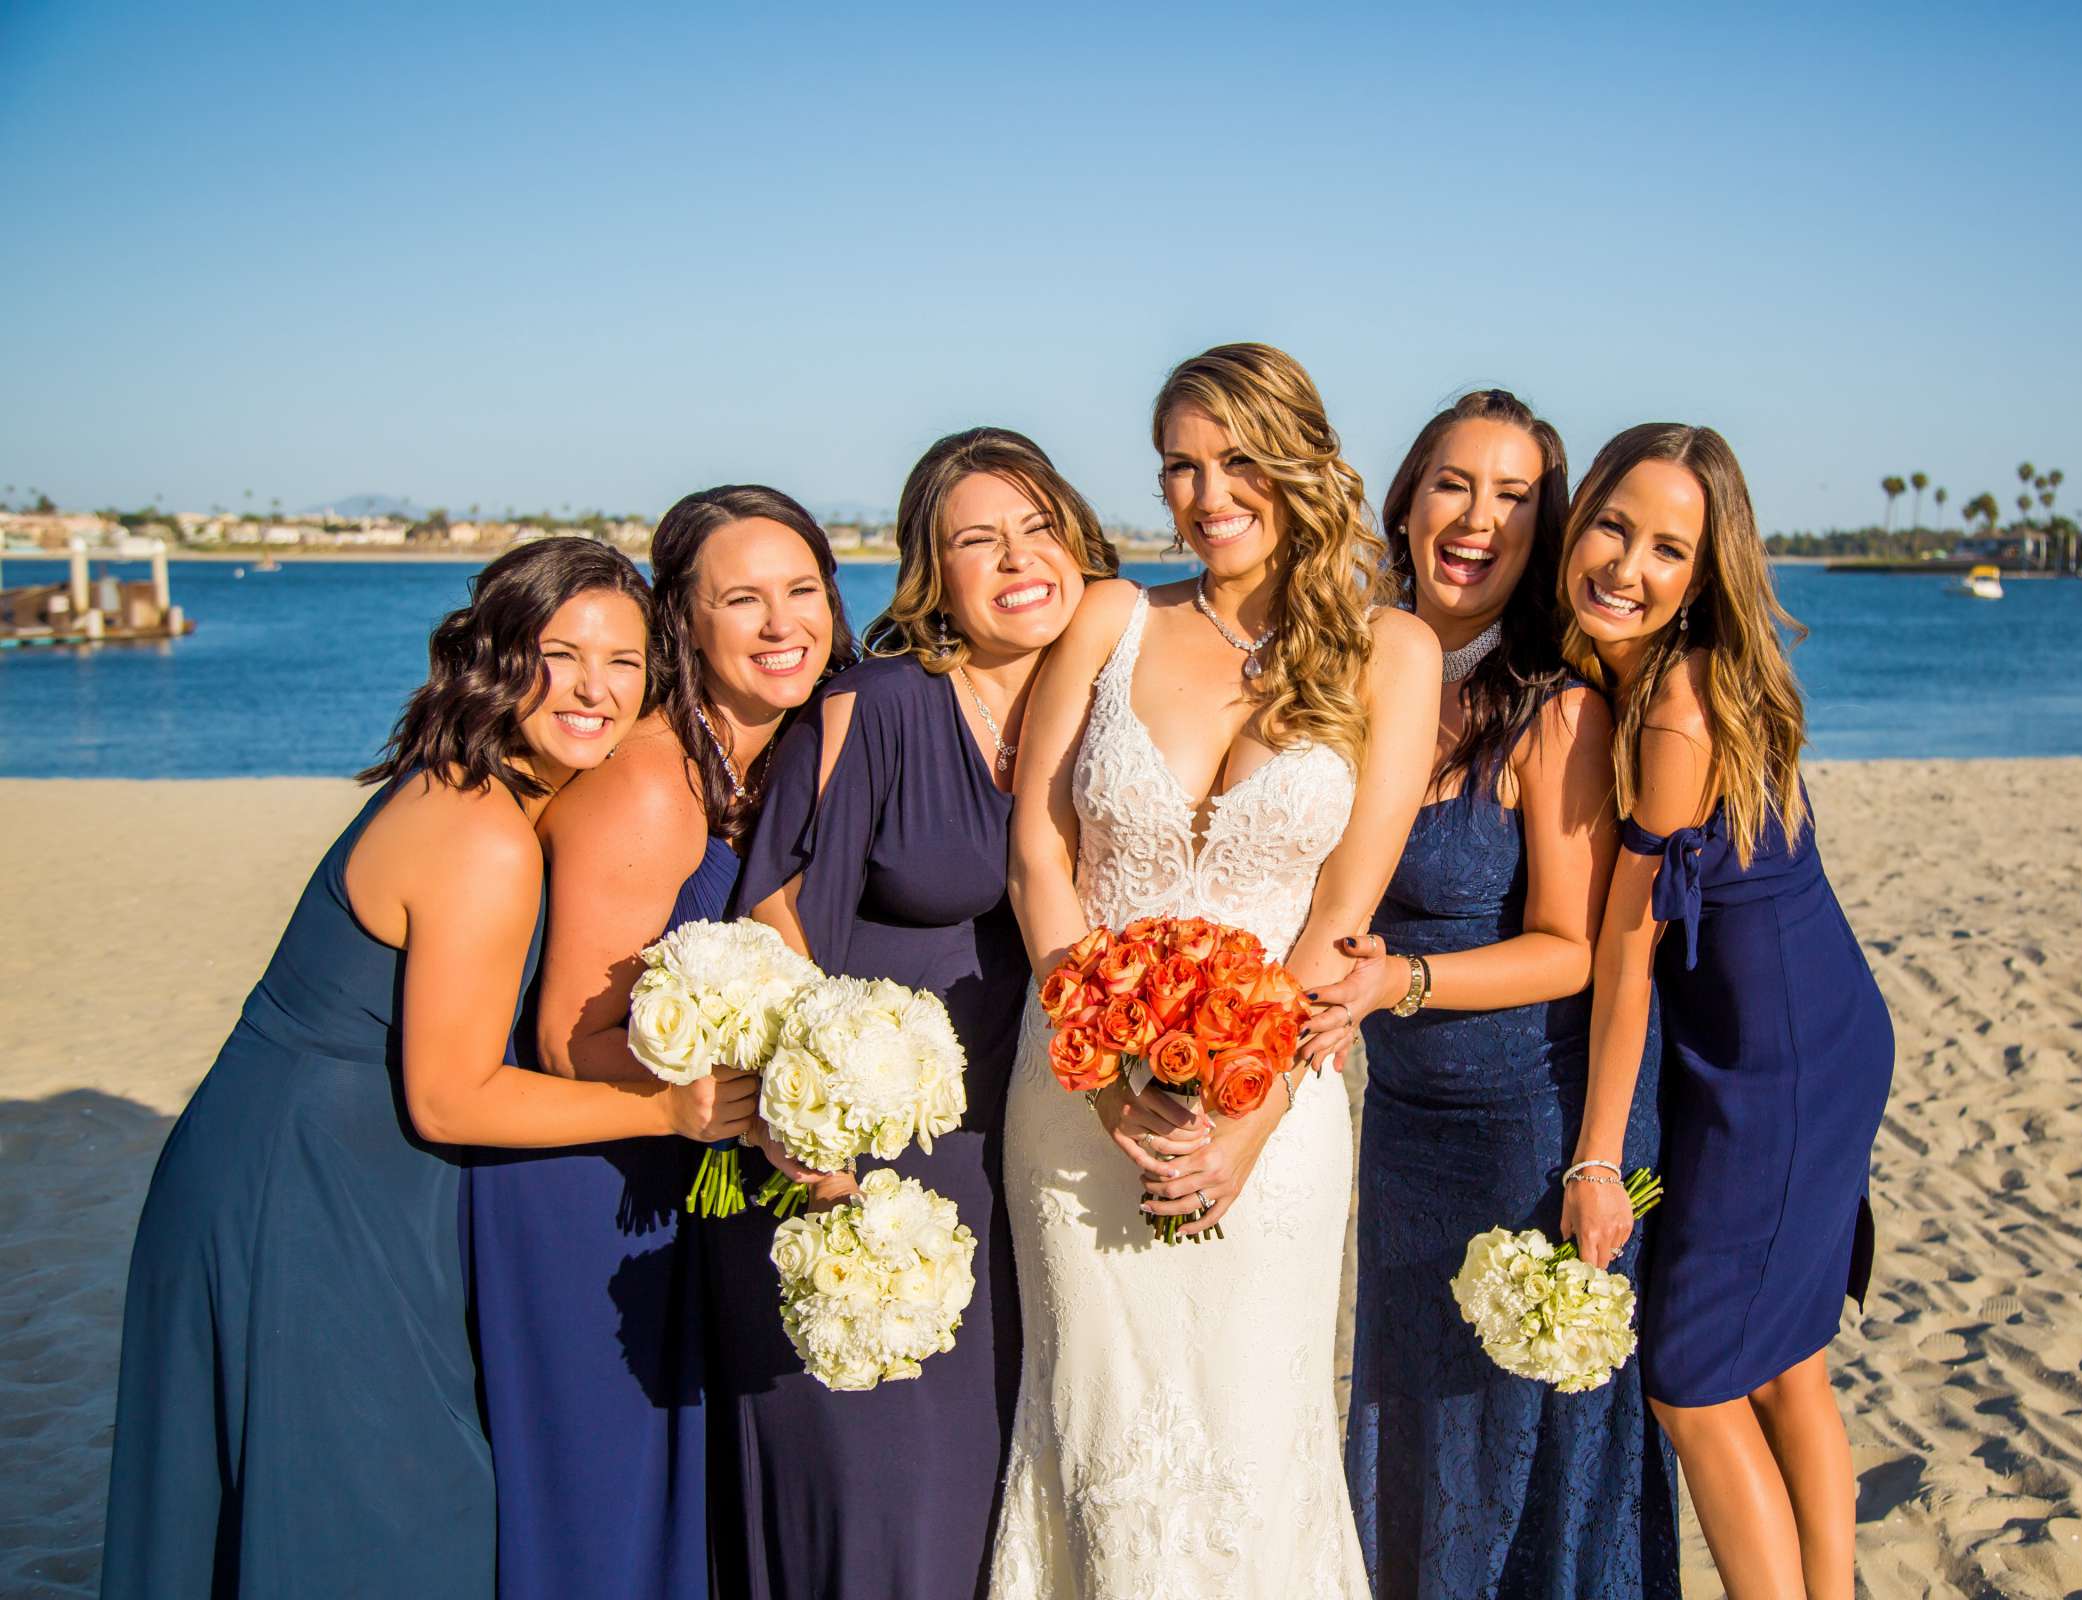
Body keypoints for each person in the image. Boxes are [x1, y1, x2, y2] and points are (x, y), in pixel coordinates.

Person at [102, 539, 757, 1599]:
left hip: (333, 1166)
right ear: (500, 655)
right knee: (388, 1511)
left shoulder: (488, 780)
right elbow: (451, 1092)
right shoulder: (482, 833)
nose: (595, 688)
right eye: (562, 653)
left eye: (625, 663)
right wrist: (669, 1107)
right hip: (304, 1188)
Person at [990, 343, 1439, 1597]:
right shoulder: (1110, 616)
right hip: (1076, 1101)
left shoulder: (1390, 653)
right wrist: (1099, 1080)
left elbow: (1342, 905)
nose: (1206, 493)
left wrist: (1248, 1120)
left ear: (1301, 465)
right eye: (1180, 466)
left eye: (1237, 458)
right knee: (1093, 1429)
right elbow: (1040, 851)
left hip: (1274, 1103)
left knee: (1254, 1436)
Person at [709, 430, 1118, 1598]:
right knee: (889, 1525)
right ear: (933, 573)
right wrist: (815, 1140)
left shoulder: (1113, 712)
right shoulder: (879, 704)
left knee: (1001, 1518)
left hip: (1033, 1164)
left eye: (1040, 528)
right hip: (866, 1170)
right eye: (977, 540)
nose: (1019, 559)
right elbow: (775, 923)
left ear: (1081, 541)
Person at [1310, 391, 1680, 1597]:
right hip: (1404, 1135)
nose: (1478, 518)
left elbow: (1575, 945)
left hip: (1529, 1128)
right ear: (1408, 501)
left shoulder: (1556, 708)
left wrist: (1400, 981)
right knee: (1410, 1438)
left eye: (1516, 496)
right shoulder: (1344, 672)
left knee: (1530, 1457)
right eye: (1456, 484)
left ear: (1544, 528)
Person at [463, 488, 853, 1600]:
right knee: (605, 1515)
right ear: (683, 622)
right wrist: (769, 1104)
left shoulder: (783, 749)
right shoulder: (652, 777)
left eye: (801, 592)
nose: (782, 625)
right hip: (589, 1185)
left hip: (685, 1182)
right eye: (742, 599)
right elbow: (569, 1035)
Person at [1562, 423, 1892, 1600]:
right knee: (1789, 1363)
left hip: (1783, 1065)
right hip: (1811, 1030)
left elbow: (1629, 949)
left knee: (1696, 1379)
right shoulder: (1641, 668)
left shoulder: (1675, 705)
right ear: (1578, 512)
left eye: (1668, 549)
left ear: (1705, 577)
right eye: (1612, 526)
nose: (1627, 566)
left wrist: (1597, 1154)